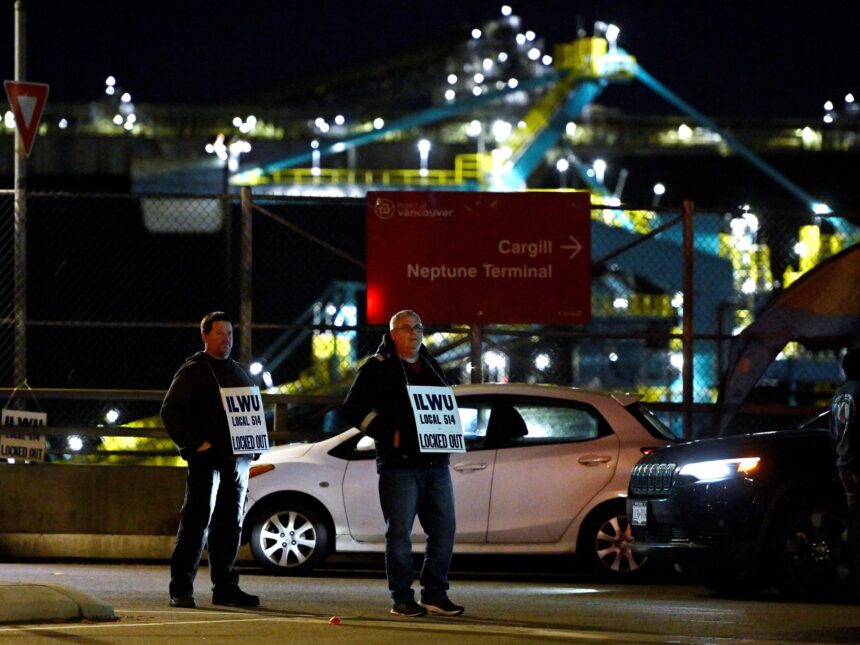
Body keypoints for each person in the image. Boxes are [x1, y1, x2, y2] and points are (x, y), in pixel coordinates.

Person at [343, 310, 464, 617]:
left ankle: (435, 594)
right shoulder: (377, 368)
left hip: (436, 463)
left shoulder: (433, 366)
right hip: (400, 465)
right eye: (407, 328)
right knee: (399, 534)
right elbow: (353, 409)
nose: (414, 333)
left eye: (419, 328)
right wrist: (388, 433)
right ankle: (401, 597)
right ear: (393, 333)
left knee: (445, 529)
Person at [161, 311, 260, 609]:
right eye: (220, 333)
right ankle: (181, 588)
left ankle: (226, 588)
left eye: (230, 334)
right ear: (204, 336)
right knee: (196, 523)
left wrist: (253, 444)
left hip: (237, 462)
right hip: (208, 461)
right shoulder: (193, 370)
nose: (226, 339)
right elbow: (171, 411)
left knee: (230, 526)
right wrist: (197, 445)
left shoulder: (239, 372)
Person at [830, 347, 860, 600]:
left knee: (855, 519)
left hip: (844, 463)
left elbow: (833, 431)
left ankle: (852, 575)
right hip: (859, 460)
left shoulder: (840, 394)